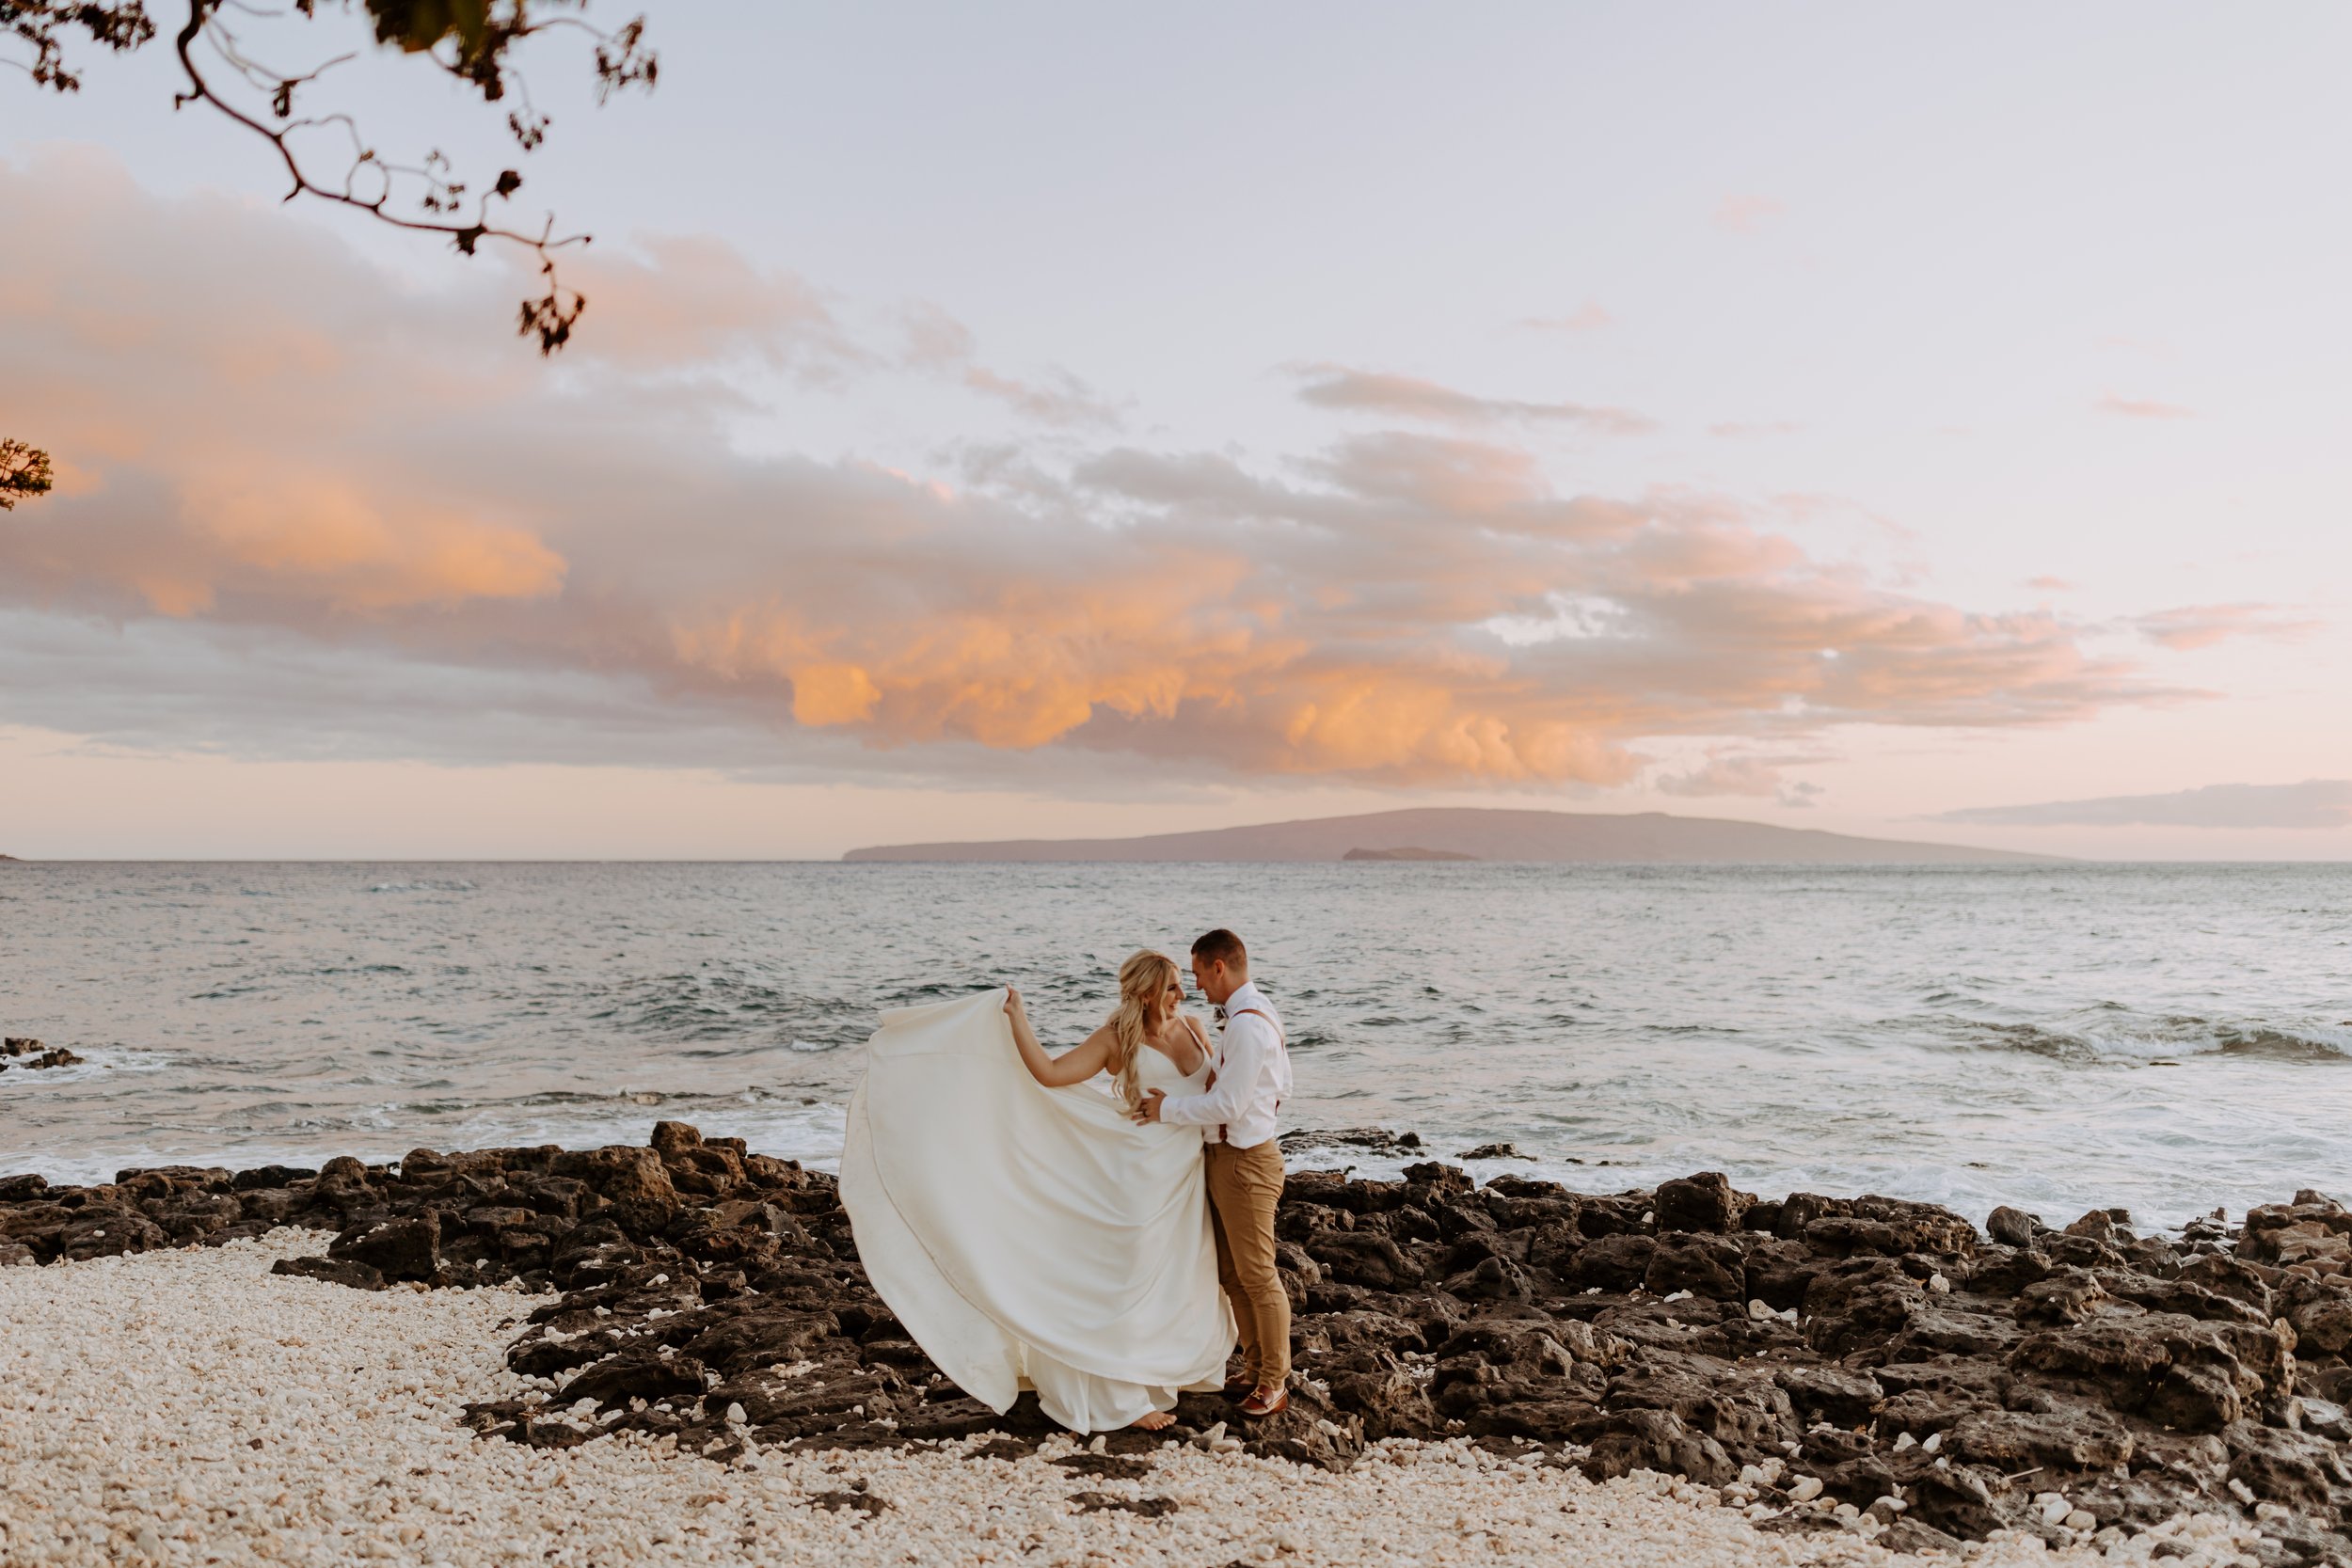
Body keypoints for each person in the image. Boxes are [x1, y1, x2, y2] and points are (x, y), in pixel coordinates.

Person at [836, 951, 1233, 1433]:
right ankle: (1118, 1397)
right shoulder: (1116, 1039)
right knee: (1128, 1275)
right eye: (1171, 986)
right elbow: (1048, 1073)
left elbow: (1217, 1091)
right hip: (1135, 1171)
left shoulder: (1193, 1027)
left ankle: (1155, 1369)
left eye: (1180, 985)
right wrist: (1018, 1018)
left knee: (1177, 1270)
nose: (1181, 994)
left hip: (1185, 1168)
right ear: (1147, 992)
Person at [1133, 927, 1295, 1418]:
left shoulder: (1247, 1025)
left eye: (1199, 973)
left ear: (1219, 966)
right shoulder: (1254, 1014)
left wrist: (1168, 1110)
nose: (1196, 986)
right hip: (1230, 1157)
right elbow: (1281, 1083)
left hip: (1246, 1163)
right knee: (1231, 1273)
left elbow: (1228, 1102)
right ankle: (1253, 1364)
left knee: (1258, 1275)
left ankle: (1274, 1381)